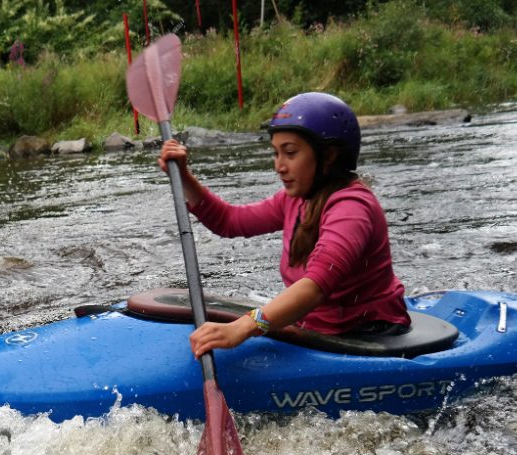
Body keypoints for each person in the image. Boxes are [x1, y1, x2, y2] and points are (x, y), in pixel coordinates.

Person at [157, 92, 411, 359]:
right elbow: (229, 221)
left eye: (290, 153)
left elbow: (315, 287)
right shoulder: (296, 200)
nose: (279, 165)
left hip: (368, 336)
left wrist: (244, 326)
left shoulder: (352, 208)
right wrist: (184, 177)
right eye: (276, 153)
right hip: (319, 330)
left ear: (329, 156)